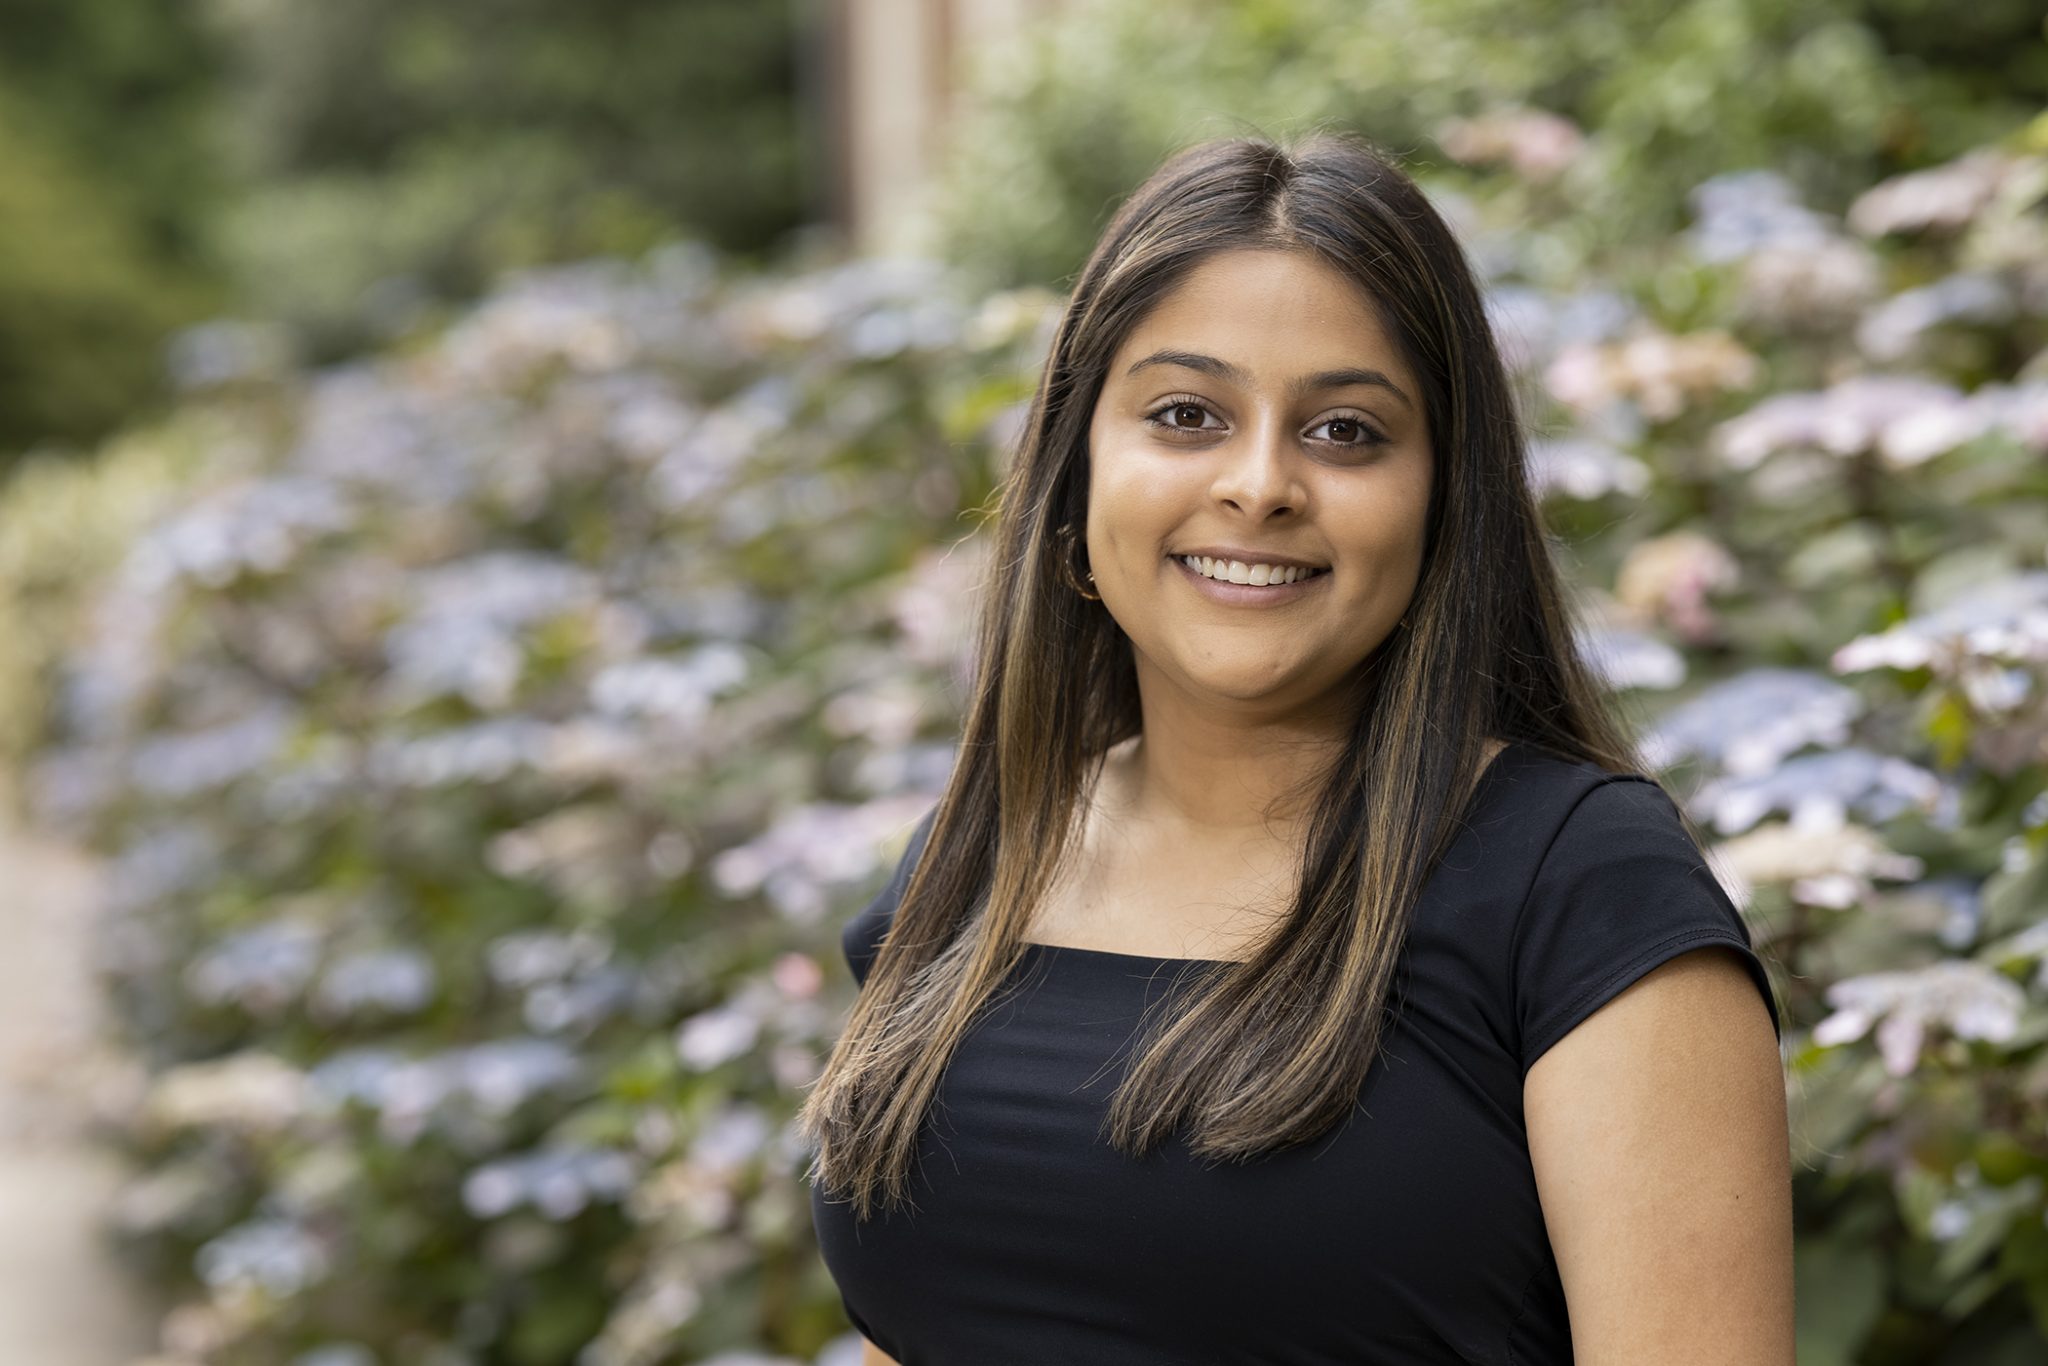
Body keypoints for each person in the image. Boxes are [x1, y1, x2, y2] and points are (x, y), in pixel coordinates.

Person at [795, 128, 1791, 1365]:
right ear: (1075, 468)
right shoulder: (975, 857)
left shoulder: (1579, 888)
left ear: (1443, 502)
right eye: (1184, 414)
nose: (1259, 483)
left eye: (1345, 432)